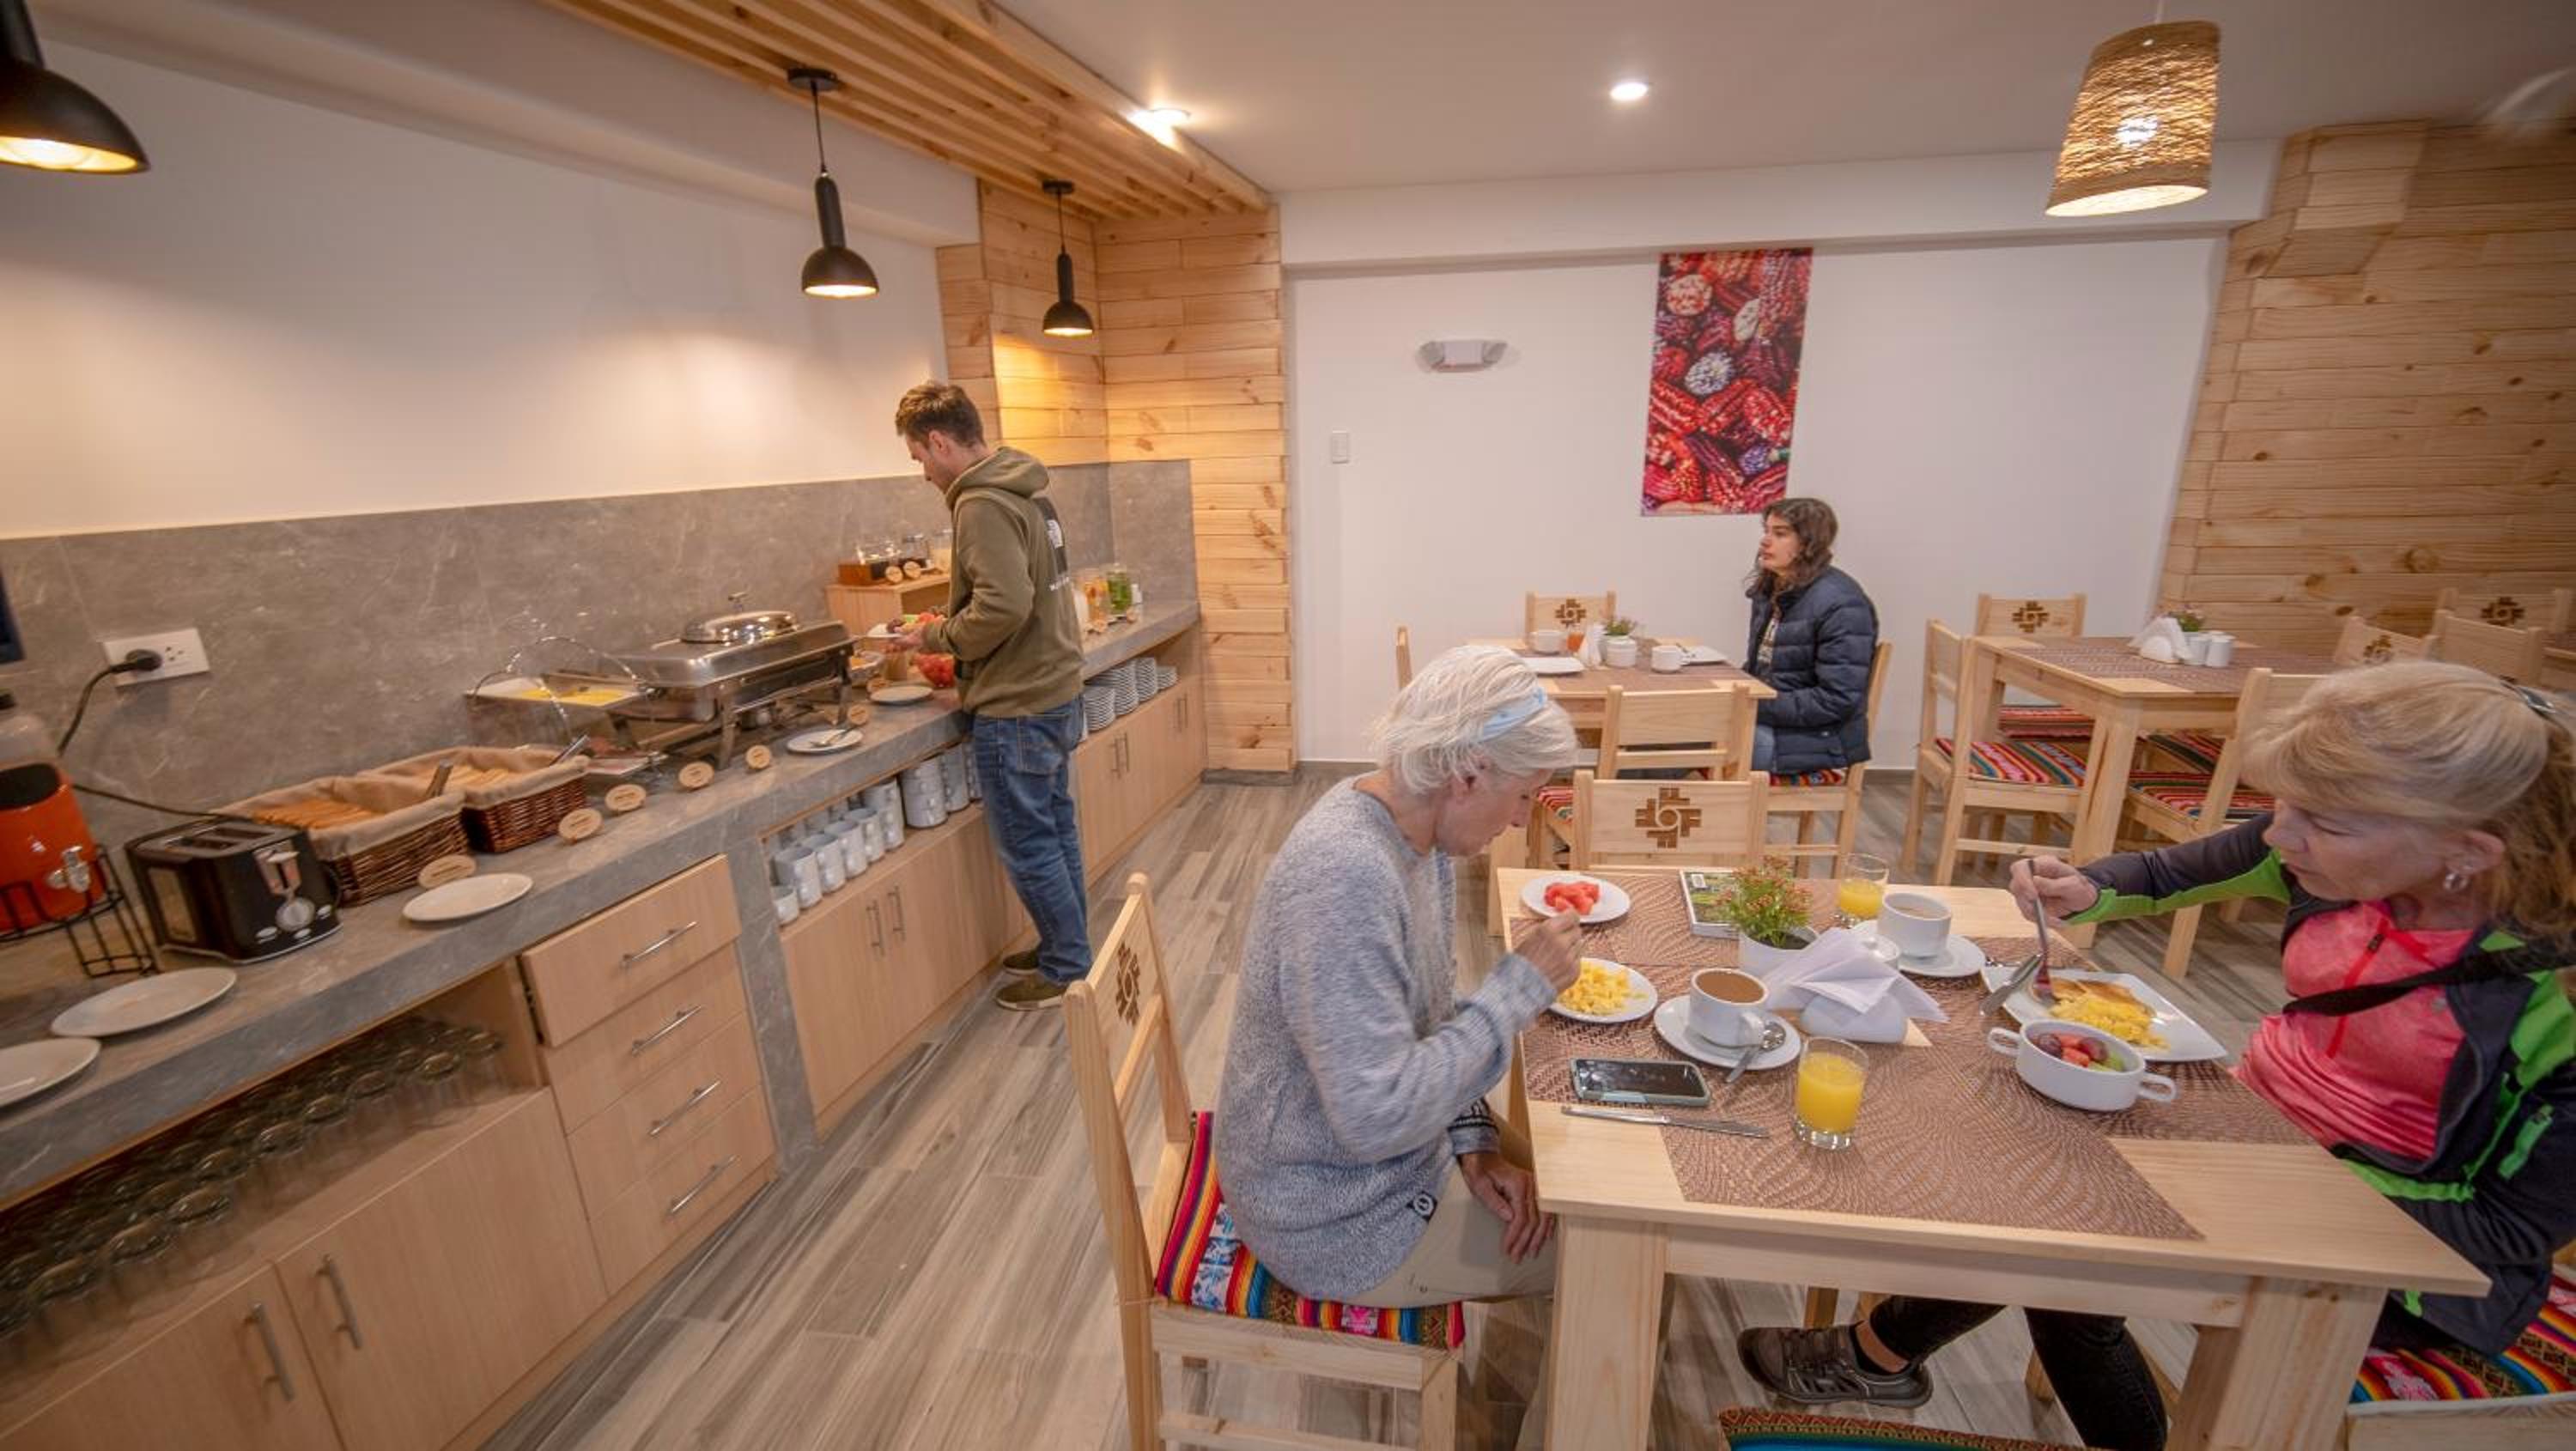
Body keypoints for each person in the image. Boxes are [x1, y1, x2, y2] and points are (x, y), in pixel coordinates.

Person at [1739, 663, 2576, 1451]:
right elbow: (2181, 868)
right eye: (2282, 806)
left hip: (2406, 1264)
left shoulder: (2555, 1001)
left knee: (2074, 1249)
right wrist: (2088, 887)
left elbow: (2508, 1230)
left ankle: (1889, 1355)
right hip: (2250, 1137)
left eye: (2322, 822)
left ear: (2470, 853)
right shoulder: (2326, 857)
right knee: (2033, 1158)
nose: (2280, 834)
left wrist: (2270, 1173)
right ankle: (1881, 1352)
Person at [1215, 645, 1586, 1309]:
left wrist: (1474, 1140)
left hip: (1385, 1163)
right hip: (1332, 1218)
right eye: (1524, 796)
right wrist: (1519, 989)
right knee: (1621, 1256)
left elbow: (1431, 1019)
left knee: (1583, 1191)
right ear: (1467, 776)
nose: (1520, 820)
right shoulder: (1346, 876)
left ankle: (1538, 1364)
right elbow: (1377, 1117)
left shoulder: (1416, 832)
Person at [889, 382, 1089, 1011]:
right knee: (1056, 831)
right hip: (1054, 689)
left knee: (1031, 846)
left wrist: (935, 636)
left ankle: (1066, 968)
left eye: (919, 457)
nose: (923, 472)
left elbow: (1003, 606)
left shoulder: (980, 503)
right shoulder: (1027, 488)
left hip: (1017, 705)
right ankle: (1068, 946)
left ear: (939, 441)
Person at [1743, 496, 1877, 777]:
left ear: (1809, 544)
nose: (1765, 541)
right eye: (1766, 531)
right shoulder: (1774, 589)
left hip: (1813, 741)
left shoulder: (1842, 604)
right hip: (1772, 725)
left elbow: (1836, 700)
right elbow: (1765, 671)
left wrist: (1750, 705)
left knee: (1683, 740)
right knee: (1671, 730)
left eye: (1780, 534)